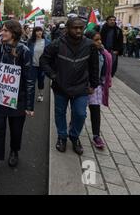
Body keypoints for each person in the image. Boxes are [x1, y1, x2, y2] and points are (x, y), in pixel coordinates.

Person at [0, 20, 35, 181]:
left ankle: (14, 150)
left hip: (18, 99)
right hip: (0, 97)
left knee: (16, 129)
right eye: (2, 30)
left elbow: (29, 79)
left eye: (5, 30)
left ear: (14, 32)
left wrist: (29, 105)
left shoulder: (24, 50)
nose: (2, 32)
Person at [40, 17, 99, 155]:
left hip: (81, 87)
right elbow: (44, 60)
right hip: (61, 87)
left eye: (81, 27)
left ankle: (74, 136)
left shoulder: (90, 45)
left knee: (80, 113)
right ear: (67, 29)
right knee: (60, 113)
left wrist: (94, 84)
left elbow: (94, 66)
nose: (78, 30)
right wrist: (53, 76)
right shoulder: (57, 44)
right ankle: (62, 136)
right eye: (75, 27)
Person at [85, 30, 112, 149]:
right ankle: (73, 127)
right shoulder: (83, 52)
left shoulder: (104, 54)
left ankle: (96, 135)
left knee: (95, 111)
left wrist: (103, 83)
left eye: (100, 39)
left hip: (96, 87)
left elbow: (106, 71)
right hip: (82, 86)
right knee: (79, 112)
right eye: (96, 40)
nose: (99, 42)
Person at [27, 26, 50, 102]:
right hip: (33, 65)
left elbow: (50, 54)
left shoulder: (47, 42)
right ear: (34, 32)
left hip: (42, 66)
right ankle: (30, 96)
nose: (39, 32)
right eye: (37, 31)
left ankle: (41, 95)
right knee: (31, 81)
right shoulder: (30, 42)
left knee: (41, 81)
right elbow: (27, 52)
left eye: (40, 31)